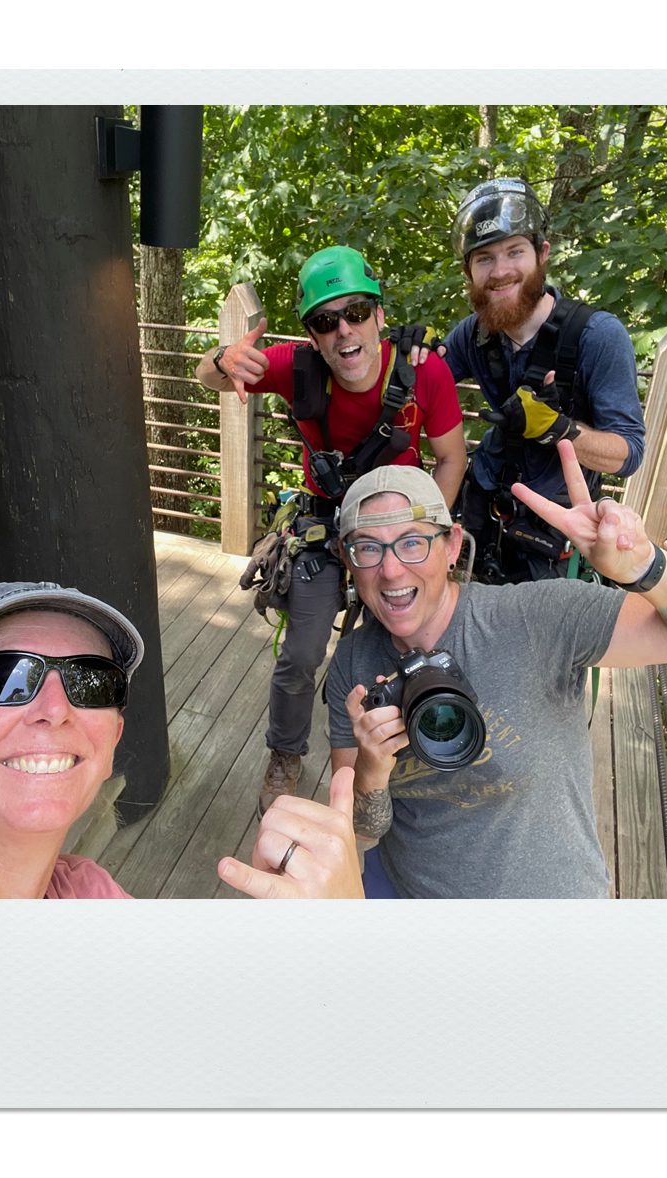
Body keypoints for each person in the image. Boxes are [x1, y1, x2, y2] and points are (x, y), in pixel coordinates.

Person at [324, 447, 667, 899]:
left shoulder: (535, 618)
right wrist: (371, 768)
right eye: (367, 547)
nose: (390, 568)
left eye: (412, 541)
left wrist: (644, 566)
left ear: (453, 546)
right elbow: (360, 836)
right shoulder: (352, 663)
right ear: (348, 561)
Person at [195, 245, 467, 816]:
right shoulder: (297, 371)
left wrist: (425, 537)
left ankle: (417, 744)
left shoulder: (424, 372)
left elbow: (451, 458)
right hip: (325, 526)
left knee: (413, 640)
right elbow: (208, 375)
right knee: (300, 653)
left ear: (379, 317)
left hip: (397, 534)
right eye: (325, 321)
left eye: (356, 313)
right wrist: (225, 360)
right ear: (313, 336)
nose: (344, 330)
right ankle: (285, 754)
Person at [0, 581, 363, 899]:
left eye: (93, 684)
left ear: (111, 743)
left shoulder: (93, 892)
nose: (55, 710)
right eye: (4, 680)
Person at [413, 178, 646, 583]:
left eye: (514, 252)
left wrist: (560, 430)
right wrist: (409, 355)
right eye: (484, 258)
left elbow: (628, 454)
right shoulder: (476, 334)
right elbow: (419, 390)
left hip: (554, 532)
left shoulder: (596, 337)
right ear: (468, 270)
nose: (500, 271)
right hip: (481, 514)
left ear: (542, 254)